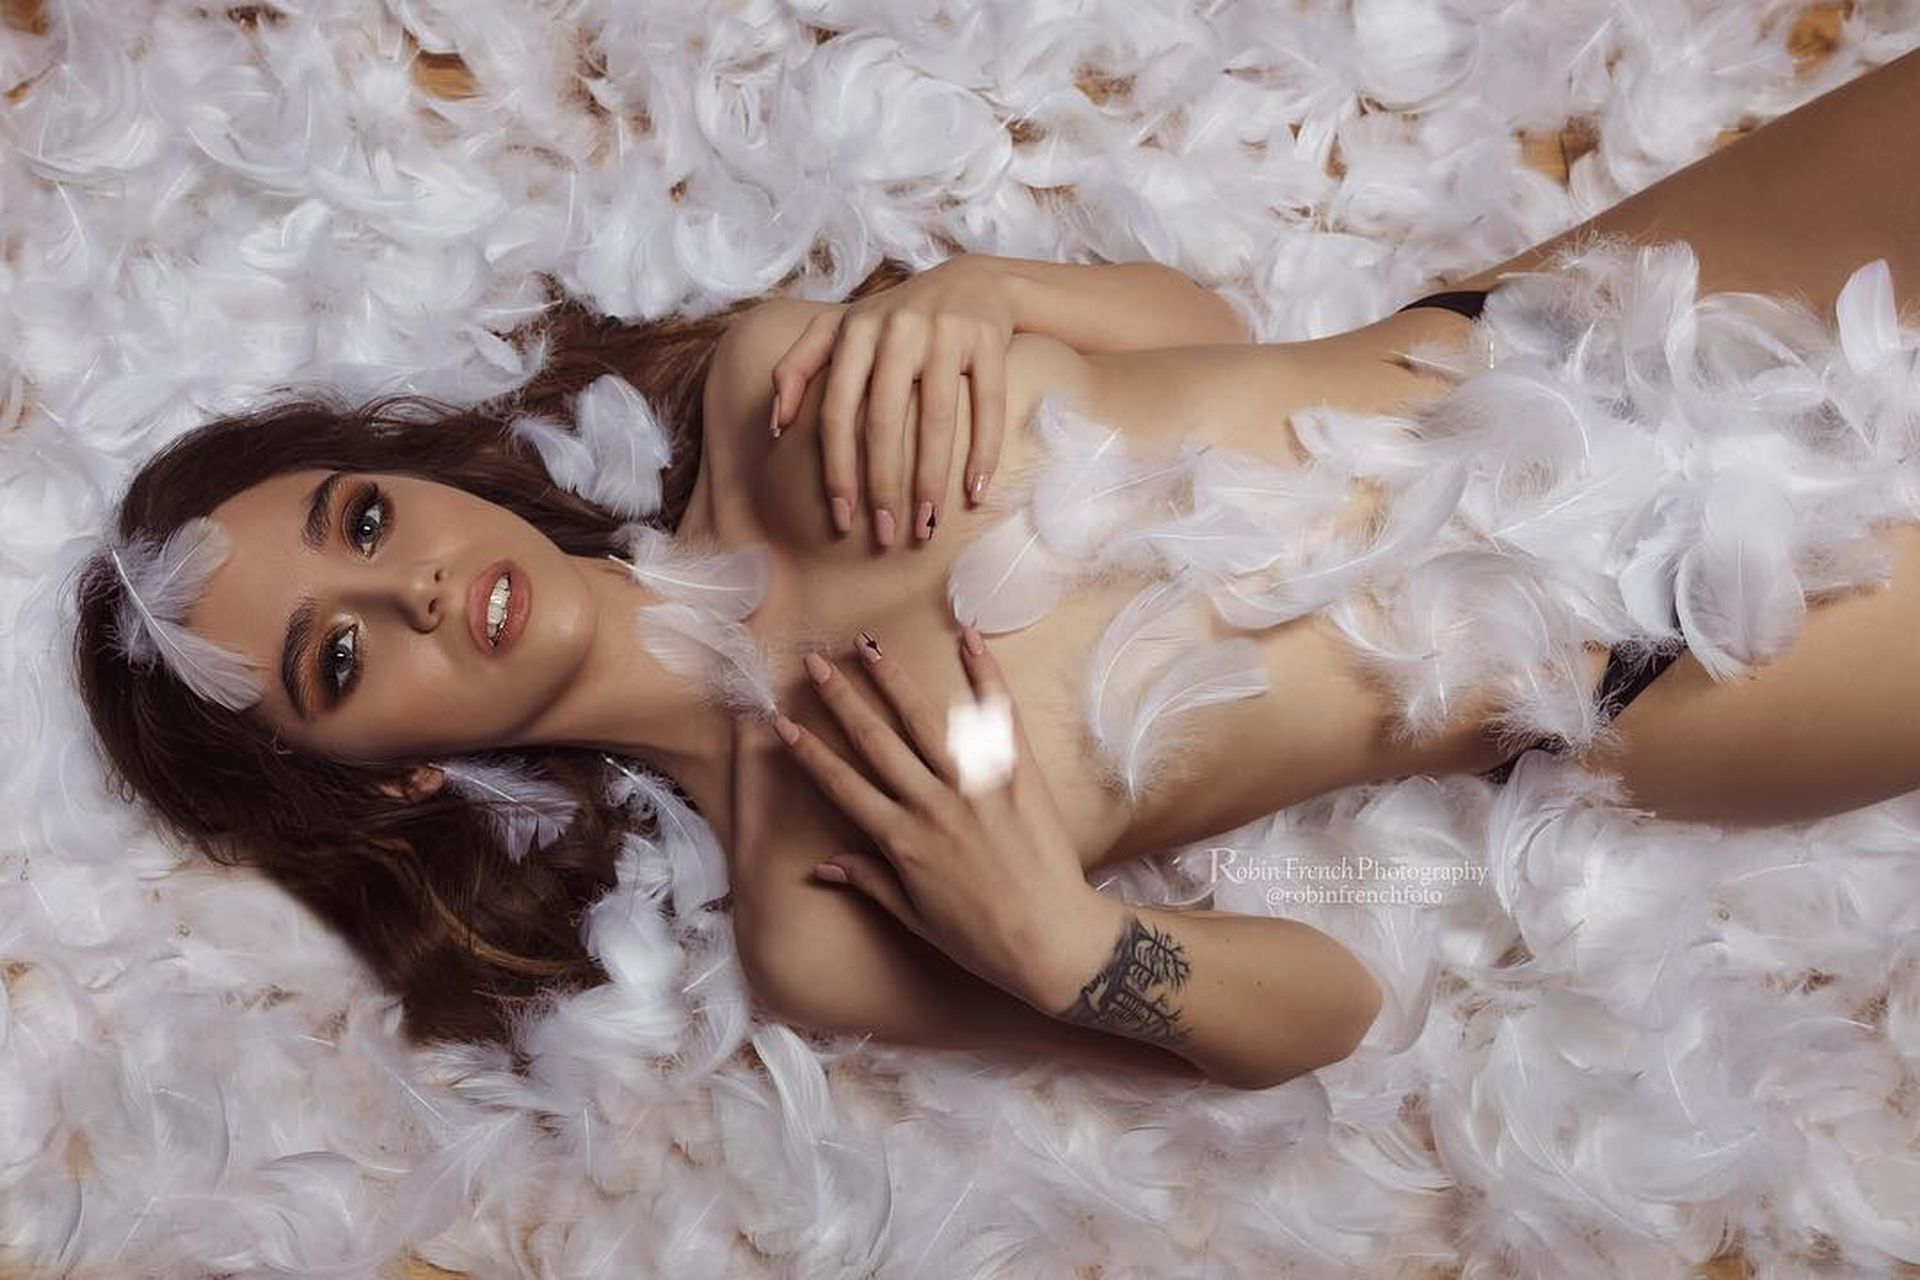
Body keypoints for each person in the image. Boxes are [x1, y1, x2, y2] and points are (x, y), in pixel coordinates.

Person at [71, 48, 1920, 1091]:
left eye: (363, 522)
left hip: (1567, 328)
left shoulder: (772, 391)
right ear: (385, 779)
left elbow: (1213, 344)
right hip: (1662, 661)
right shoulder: (820, 913)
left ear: (404, 475)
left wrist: (991, 293)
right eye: (333, 660)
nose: (404, 589)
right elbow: (1327, 1014)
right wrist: (1063, 944)